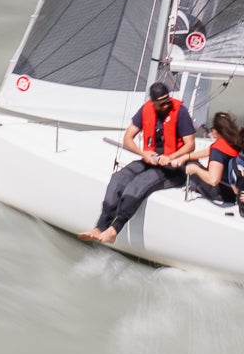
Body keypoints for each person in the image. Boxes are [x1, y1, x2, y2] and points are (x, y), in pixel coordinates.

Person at [79, 81, 198, 245]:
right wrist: (143, 153)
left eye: (167, 101)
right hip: (151, 160)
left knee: (138, 184)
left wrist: (170, 157)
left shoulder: (180, 112)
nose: (165, 105)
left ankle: (114, 230)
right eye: (161, 103)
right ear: (153, 102)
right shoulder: (146, 109)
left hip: (174, 168)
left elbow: (190, 144)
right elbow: (128, 138)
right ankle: (99, 227)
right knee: (118, 179)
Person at [184, 112, 242, 201]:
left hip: (221, 194)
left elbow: (214, 180)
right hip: (234, 191)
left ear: (216, 131)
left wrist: (195, 169)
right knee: (192, 161)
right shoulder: (233, 142)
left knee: (192, 165)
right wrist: (186, 156)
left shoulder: (218, 151)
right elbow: (208, 151)